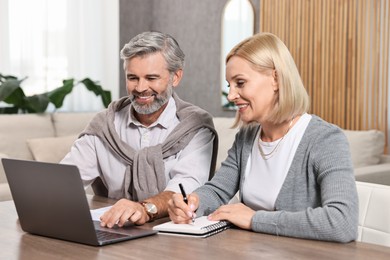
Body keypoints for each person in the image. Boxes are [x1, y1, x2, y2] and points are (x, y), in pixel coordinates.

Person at [167, 32, 358, 243]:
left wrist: (255, 220)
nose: (231, 96)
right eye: (230, 85)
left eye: (240, 83)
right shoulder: (247, 137)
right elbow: (218, 190)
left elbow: (342, 222)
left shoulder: (325, 139)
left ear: (275, 79)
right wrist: (192, 202)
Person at [61, 31, 218, 227]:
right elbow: (65, 181)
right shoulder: (105, 125)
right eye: (133, 78)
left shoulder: (195, 126)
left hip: (175, 235)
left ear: (175, 77)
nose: (141, 87)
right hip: (114, 228)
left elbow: (185, 188)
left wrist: (145, 208)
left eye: (151, 78)